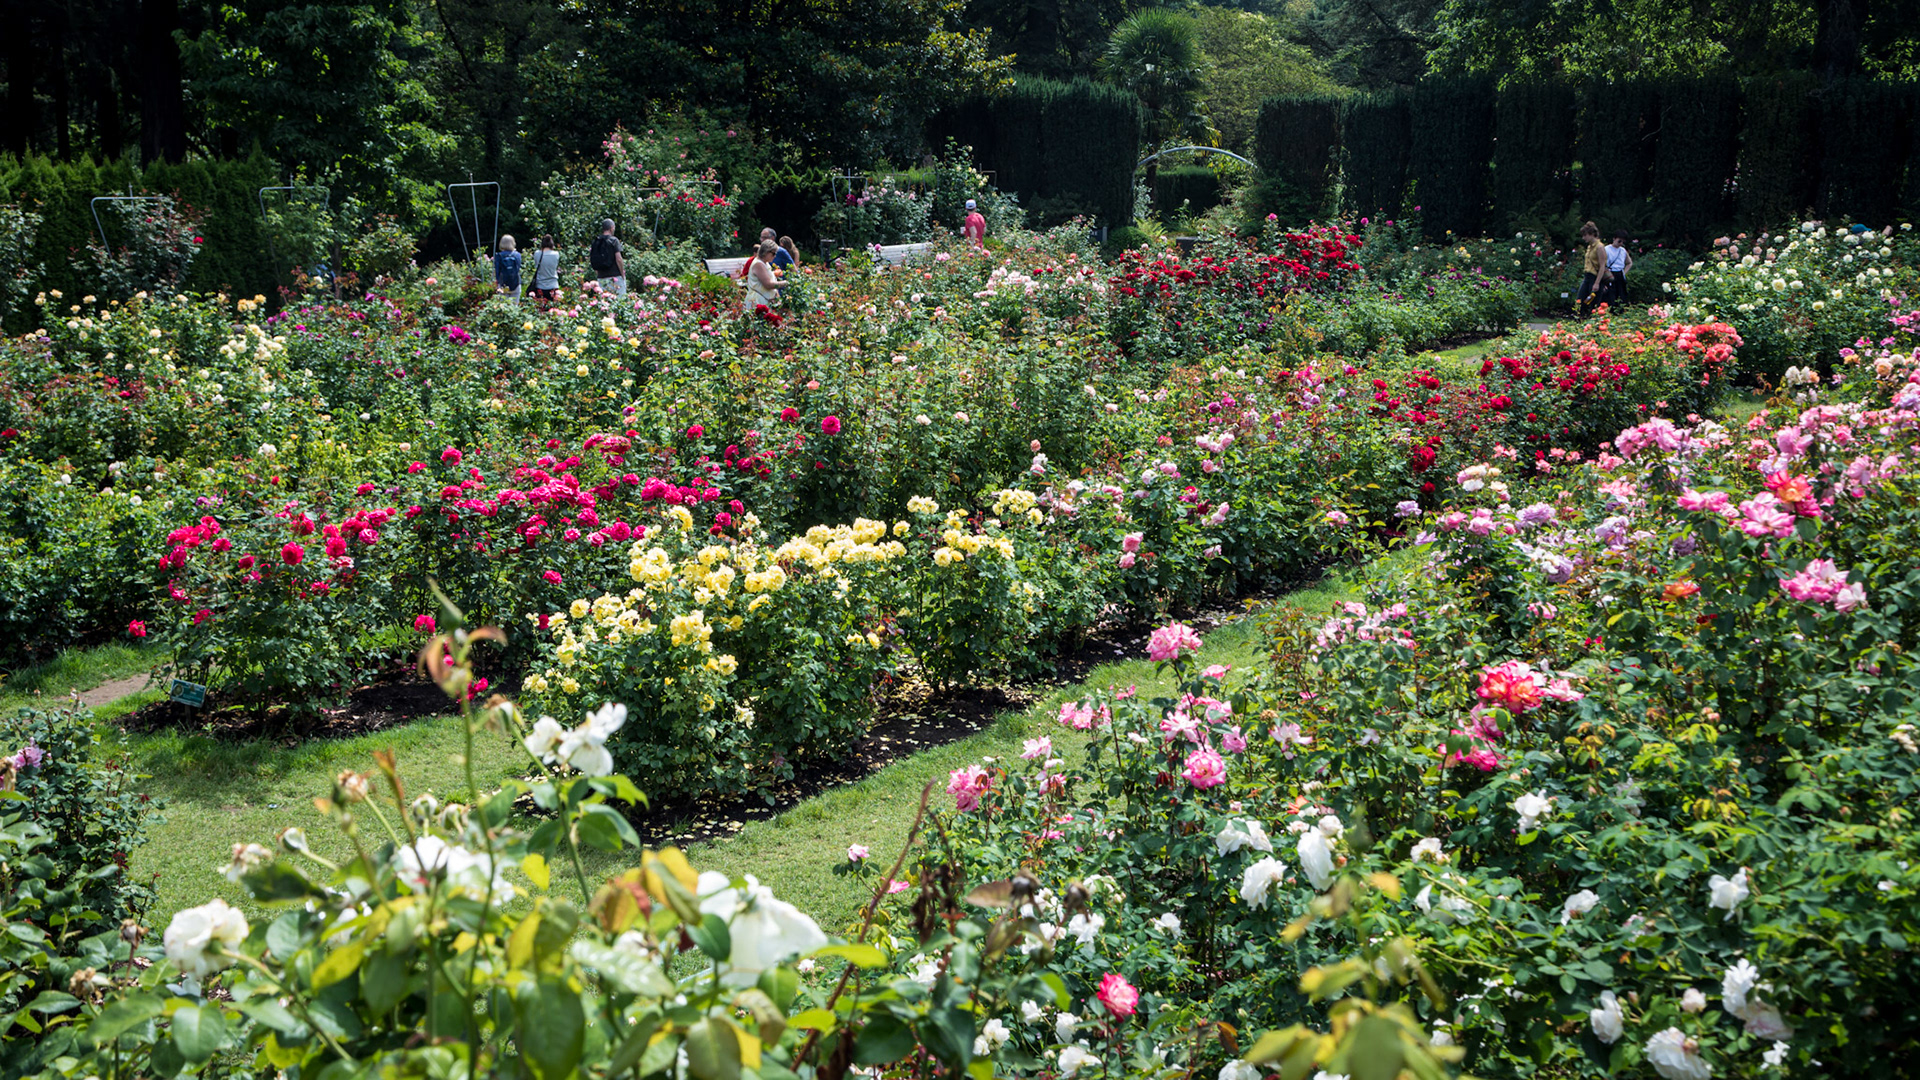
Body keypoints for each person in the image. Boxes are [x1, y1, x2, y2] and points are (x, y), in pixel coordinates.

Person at [743, 239, 787, 314]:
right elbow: (768, 284)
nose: (775, 256)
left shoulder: (764, 263)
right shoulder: (758, 264)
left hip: (764, 301)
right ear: (766, 252)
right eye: (773, 253)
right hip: (757, 302)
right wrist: (785, 283)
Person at [1575, 221, 1608, 315]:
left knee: (1593, 303)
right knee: (1580, 301)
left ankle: (1592, 323)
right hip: (1587, 276)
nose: (1583, 238)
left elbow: (1602, 266)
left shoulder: (1600, 247)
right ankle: (1581, 320)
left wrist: (1597, 283)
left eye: (1585, 235)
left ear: (1591, 234)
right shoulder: (1589, 247)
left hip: (1595, 277)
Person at [589, 219, 626, 298]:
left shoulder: (596, 242)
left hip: (601, 277)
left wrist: (598, 273)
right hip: (615, 277)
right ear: (612, 228)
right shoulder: (614, 240)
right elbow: (619, 259)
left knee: (605, 302)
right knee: (620, 300)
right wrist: (622, 274)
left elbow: (593, 259)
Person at [1601, 231, 1632, 308]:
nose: (1621, 243)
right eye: (1619, 241)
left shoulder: (1622, 250)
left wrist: (1624, 272)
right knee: (1610, 296)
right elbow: (1601, 265)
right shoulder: (1606, 249)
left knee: (1622, 296)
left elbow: (1629, 263)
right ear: (1614, 239)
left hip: (1620, 274)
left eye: (1622, 242)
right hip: (1610, 273)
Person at [529, 236, 561, 303]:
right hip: (553, 285)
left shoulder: (537, 253)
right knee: (554, 310)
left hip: (540, 285)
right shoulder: (556, 254)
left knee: (540, 308)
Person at [493, 235, 522, 299]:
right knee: (515, 307)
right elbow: (518, 268)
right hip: (516, 283)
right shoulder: (517, 255)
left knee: (504, 306)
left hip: (503, 284)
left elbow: (497, 271)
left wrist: (498, 284)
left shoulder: (499, 256)